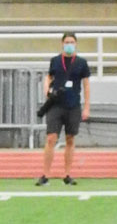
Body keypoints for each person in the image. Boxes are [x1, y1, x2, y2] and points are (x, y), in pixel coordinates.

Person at [36, 31, 90, 186]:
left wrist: (87, 107)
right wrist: (46, 90)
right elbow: (49, 77)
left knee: (70, 139)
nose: (69, 45)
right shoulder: (55, 61)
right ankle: (45, 174)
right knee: (51, 138)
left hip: (73, 105)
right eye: (67, 42)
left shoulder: (81, 63)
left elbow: (86, 85)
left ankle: (67, 174)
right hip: (56, 106)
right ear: (62, 43)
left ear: (76, 44)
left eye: (72, 42)